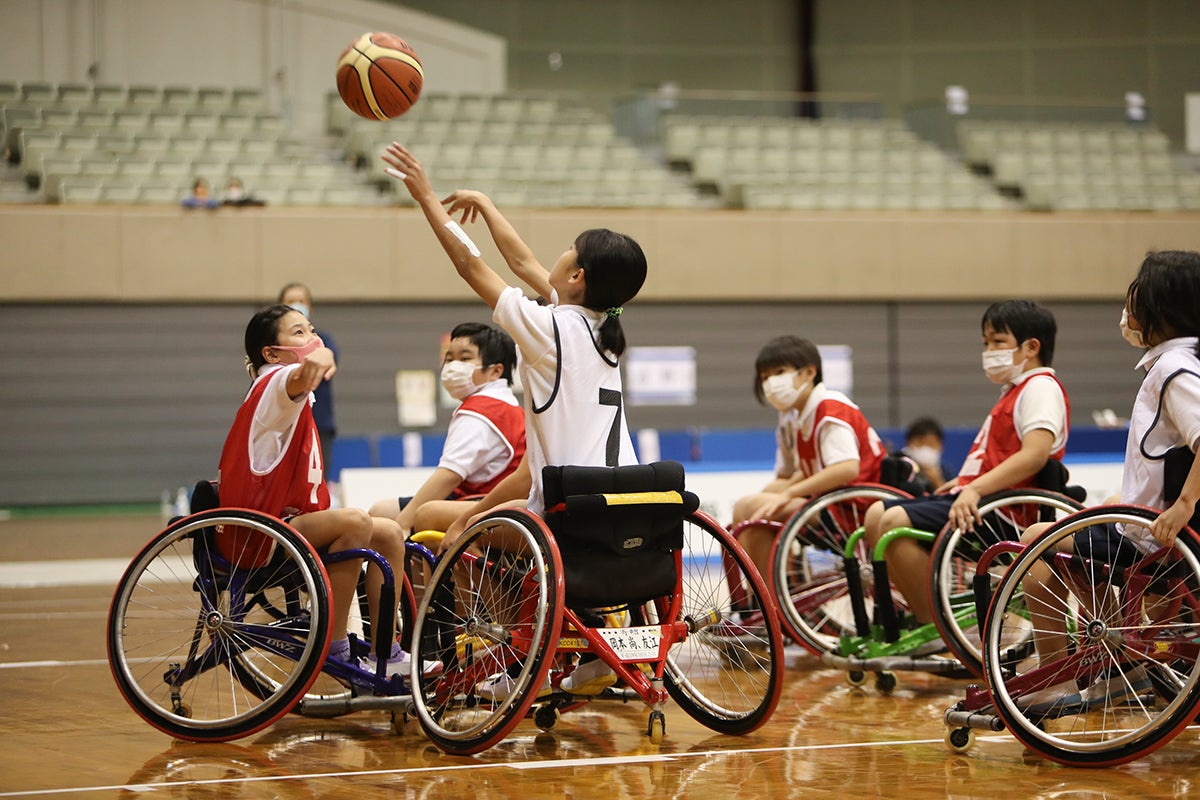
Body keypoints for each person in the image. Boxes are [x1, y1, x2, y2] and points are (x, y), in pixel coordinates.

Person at [382, 141, 646, 697]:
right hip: (625, 509)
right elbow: (525, 263)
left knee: (451, 528)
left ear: (577, 276)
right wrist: (485, 203)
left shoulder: (548, 330)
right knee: (474, 515)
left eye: (568, 251)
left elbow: (471, 265)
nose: (554, 257)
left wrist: (425, 196)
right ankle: (587, 642)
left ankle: (515, 656)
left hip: (568, 517)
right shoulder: (605, 330)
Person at [1017, 251, 1200, 709]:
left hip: (1157, 538)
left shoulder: (1175, 368)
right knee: (1069, 543)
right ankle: (1119, 661)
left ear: (1159, 305)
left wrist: (1184, 505)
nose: (1127, 305)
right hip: (1148, 528)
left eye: (1134, 293)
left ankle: (1063, 676)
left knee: (1037, 541)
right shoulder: (1178, 363)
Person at [219, 304, 433, 678]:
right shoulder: (274, 384)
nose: (312, 338)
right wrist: (320, 357)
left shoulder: (289, 393)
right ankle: (336, 646)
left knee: (388, 532)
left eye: (312, 329)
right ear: (271, 353)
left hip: (285, 526)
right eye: (299, 332)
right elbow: (300, 376)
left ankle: (386, 653)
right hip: (260, 534)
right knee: (355, 521)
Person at [861, 299, 1069, 654]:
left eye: (998, 342)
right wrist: (962, 484)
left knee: (892, 520)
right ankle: (929, 618)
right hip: (986, 502)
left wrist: (973, 488)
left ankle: (935, 626)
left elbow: (1034, 455)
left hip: (1006, 514)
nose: (988, 351)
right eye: (985, 343)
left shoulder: (1041, 388)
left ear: (1031, 347)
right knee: (876, 514)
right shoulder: (1016, 391)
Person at [730, 335, 886, 586]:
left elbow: (846, 468)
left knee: (754, 510)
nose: (770, 383)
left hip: (855, 508)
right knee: (751, 505)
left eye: (779, 372)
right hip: (833, 502)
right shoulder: (799, 415)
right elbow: (810, 469)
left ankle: (771, 598)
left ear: (810, 372)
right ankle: (766, 594)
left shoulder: (830, 408)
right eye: (765, 377)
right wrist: (781, 491)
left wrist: (789, 493)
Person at [368, 321, 526, 537]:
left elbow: (449, 476)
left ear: (495, 371)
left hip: (486, 505)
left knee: (394, 521)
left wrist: (402, 524)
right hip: (478, 499)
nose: (452, 366)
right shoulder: (508, 404)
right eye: (449, 359)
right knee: (383, 511)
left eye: (465, 359)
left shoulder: (482, 411)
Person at [278, 283, 338, 491]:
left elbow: (326, 360)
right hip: (285, 428)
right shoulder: (275, 354)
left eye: (301, 301)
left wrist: (325, 354)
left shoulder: (324, 340)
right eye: (290, 301)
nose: (297, 305)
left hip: (319, 426)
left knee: (316, 485)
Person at [902, 416, 954, 492]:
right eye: (920, 443)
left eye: (931, 444)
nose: (925, 448)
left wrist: (938, 481)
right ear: (908, 443)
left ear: (940, 445)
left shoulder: (945, 471)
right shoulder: (900, 468)